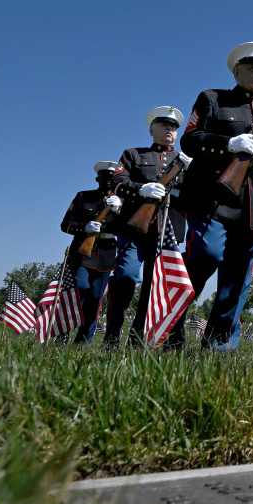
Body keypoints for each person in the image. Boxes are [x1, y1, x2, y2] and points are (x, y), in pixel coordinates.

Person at [174, 42, 253, 351]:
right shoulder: (213, 99)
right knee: (206, 254)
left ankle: (218, 344)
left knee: (238, 275)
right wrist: (228, 143)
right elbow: (189, 140)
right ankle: (170, 326)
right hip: (212, 193)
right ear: (237, 70)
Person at [103, 106, 190, 347]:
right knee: (125, 276)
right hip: (134, 229)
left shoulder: (184, 161)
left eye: (173, 127)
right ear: (152, 129)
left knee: (153, 286)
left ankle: (137, 338)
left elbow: (193, 196)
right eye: (163, 126)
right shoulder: (134, 155)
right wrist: (140, 189)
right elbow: (118, 181)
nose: (169, 130)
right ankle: (111, 333)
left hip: (167, 232)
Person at [59, 161, 123, 342]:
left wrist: (120, 211)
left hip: (106, 255)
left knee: (95, 300)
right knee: (78, 291)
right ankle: (61, 335)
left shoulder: (123, 202)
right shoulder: (83, 197)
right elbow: (65, 225)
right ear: (97, 179)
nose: (108, 182)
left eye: (112, 179)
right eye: (104, 178)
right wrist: (84, 227)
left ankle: (83, 341)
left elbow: (130, 229)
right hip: (82, 253)